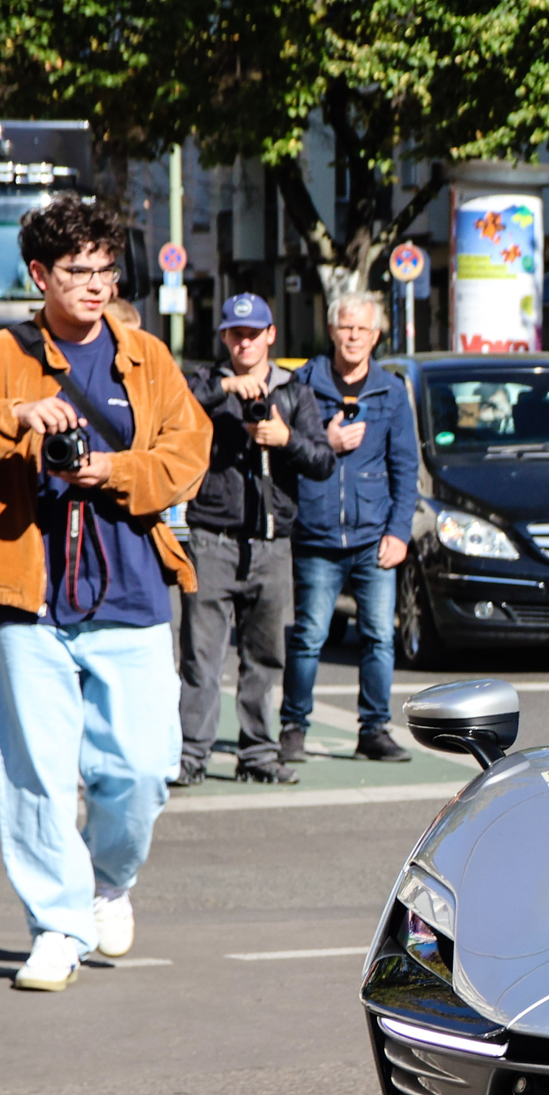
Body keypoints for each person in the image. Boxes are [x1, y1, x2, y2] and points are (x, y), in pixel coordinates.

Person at [0, 195, 212, 990]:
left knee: (144, 769)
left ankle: (109, 879)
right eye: (78, 271)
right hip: (29, 596)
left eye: (107, 268)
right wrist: (14, 415)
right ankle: (57, 925)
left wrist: (112, 469)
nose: (95, 284)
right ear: (40, 275)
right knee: (35, 777)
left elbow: (189, 455)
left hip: (134, 590)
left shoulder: (147, 356)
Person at [178, 293, 332, 785]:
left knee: (264, 658)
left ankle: (258, 754)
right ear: (224, 337)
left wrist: (285, 439)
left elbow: (324, 461)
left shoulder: (294, 392)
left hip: (271, 543)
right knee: (202, 657)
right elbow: (175, 405)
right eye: (235, 334)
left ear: (270, 336)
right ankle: (190, 756)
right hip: (212, 538)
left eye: (253, 333)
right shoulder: (206, 384)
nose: (245, 342)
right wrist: (228, 387)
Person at [280, 294, 418, 765]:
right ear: (332, 331)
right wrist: (327, 439)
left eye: (362, 329)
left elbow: (405, 466)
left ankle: (374, 730)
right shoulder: (304, 383)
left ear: (376, 335)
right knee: (308, 637)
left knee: (380, 636)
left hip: (372, 537)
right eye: (345, 327)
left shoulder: (391, 391)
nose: (353, 336)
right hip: (316, 537)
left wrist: (398, 532)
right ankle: (293, 727)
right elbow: (282, 449)